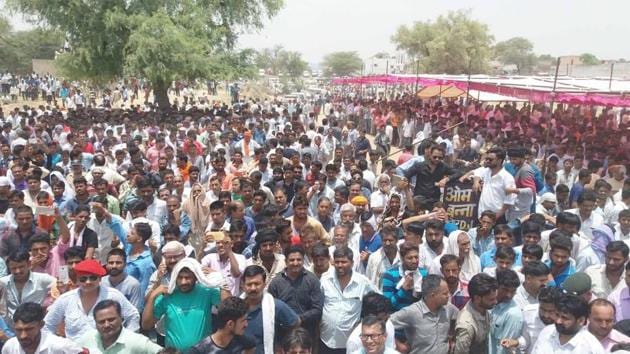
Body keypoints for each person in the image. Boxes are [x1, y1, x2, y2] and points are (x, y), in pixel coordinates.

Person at [143, 258, 229, 351]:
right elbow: (146, 325)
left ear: (196, 277)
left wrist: (223, 283)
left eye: (188, 278)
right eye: (180, 277)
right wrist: (152, 296)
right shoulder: (167, 295)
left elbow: (229, 311)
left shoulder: (206, 292)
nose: (183, 282)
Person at [44, 259, 140, 340]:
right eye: (83, 279)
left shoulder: (113, 296)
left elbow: (133, 316)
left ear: (100, 279)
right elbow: (47, 326)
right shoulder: (65, 300)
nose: (88, 282)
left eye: (93, 278)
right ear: (77, 280)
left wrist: (126, 341)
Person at [320, 246, 378, 354]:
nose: (340, 265)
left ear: (352, 263)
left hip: (349, 344)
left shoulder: (363, 282)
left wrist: (364, 321)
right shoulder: (325, 279)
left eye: (344, 262)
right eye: (337, 262)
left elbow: (379, 301)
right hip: (325, 340)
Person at [390, 274, 459, 354]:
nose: (448, 296)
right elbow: (385, 324)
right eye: (445, 294)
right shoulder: (412, 312)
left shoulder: (448, 308)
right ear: (433, 295)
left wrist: (453, 339)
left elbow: (461, 319)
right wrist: (399, 346)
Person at [241, 265, 300, 354]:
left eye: (257, 284)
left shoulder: (275, 306)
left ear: (264, 284)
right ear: (243, 285)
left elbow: (296, 322)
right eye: (249, 284)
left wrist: (281, 343)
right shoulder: (236, 308)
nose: (253, 288)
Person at [267, 246, 323, 338]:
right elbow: (271, 310)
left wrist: (299, 319)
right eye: (292, 260)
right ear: (286, 262)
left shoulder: (312, 280)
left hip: (307, 332)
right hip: (283, 333)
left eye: (299, 259)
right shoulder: (276, 283)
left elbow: (317, 309)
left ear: (303, 261)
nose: (295, 263)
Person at [76, 299, 163, 353]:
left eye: (111, 320)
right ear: (95, 323)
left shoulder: (136, 341)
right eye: (101, 322)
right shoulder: (87, 338)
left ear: (121, 318)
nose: (106, 325)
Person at [531, 293, 606, 354]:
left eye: (565, 318)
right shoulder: (547, 332)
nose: (558, 321)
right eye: (557, 315)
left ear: (581, 320)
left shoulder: (591, 347)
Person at [2, 302, 85, 354]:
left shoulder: (61, 346)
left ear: (41, 325)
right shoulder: (10, 346)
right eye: (19, 330)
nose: (23, 336)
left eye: (29, 329)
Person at [0, 250, 56, 328]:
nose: (17, 271)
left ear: (29, 264)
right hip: (10, 328)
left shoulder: (42, 279)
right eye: (13, 268)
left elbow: (61, 286)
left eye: (21, 267)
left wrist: (51, 308)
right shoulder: (3, 282)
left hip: (34, 327)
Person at [500, 286, 562, 354]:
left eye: (551, 311)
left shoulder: (565, 322)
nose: (545, 315)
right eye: (542, 309)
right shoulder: (528, 313)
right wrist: (515, 342)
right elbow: (526, 340)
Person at [187, 297, 256, 354]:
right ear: (230, 324)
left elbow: (252, 346)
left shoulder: (241, 340)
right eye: (243, 321)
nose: (246, 324)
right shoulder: (199, 350)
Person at [453, 273, 498, 354]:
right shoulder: (466, 326)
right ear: (477, 298)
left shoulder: (483, 307)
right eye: (491, 299)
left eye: (495, 298)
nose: (495, 302)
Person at [488, 269, 523, 354]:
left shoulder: (513, 314)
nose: (509, 295)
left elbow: (504, 348)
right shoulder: (488, 303)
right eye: (505, 290)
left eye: (513, 291)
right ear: (496, 286)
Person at [382, 241, 422, 311]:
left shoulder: (423, 273)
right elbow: (387, 305)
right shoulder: (389, 275)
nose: (414, 261)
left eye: (416, 257)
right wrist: (403, 290)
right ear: (402, 258)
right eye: (410, 258)